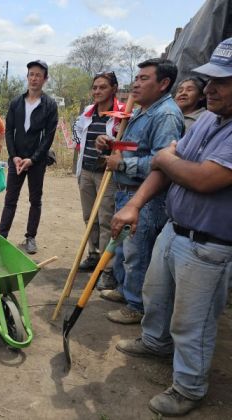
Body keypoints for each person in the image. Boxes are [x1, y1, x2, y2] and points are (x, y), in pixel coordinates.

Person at [111, 38, 232, 417]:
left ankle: (189, 386)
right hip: (175, 228)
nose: (209, 89)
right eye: (208, 81)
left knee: (191, 321)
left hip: (208, 244)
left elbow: (203, 178)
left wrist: (166, 158)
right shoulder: (210, 118)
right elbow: (166, 166)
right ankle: (155, 341)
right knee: (156, 293)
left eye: (221, 82)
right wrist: (134, 203)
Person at [96, 58, 184, 324]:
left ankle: (136, 306)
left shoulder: (165, 115)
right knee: (123, 249)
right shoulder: (143, 111)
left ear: (164, 83)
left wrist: (121, 163)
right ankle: (125, 291)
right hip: (126, 191)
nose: (136, 83)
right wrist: (113, 145)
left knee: (138, 252)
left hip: (145, 197)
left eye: (144, 78)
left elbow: (163, 163)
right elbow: (138, 148)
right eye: (136, 78)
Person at [0, 60, 58, 254]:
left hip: (36, 162)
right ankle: (1, 236)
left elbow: (48, 136)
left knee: (35, 200)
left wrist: (33, 159)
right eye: (31, 74)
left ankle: (30, 237)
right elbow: (9, 131)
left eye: (38, 75)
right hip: (16, 160)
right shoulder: (16, 102)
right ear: (27, 77)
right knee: (10, 199)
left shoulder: (49, 105)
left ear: (45, 79)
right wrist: (14, 156)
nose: (34, 78)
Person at [73, 71, 124, 290]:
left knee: (105, 219)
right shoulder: (87, 113)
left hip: (107, 175)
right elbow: (78, 137)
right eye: (94, 87)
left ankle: (107, 268)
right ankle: (93, 255)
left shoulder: (123, 114)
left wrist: (111, 144)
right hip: (86, 170)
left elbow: (127, 144)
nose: (97, 91)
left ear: (114, 89)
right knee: (89, 217)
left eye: (102, 87)